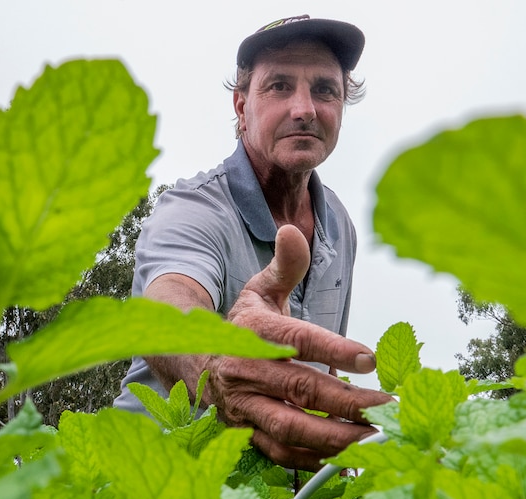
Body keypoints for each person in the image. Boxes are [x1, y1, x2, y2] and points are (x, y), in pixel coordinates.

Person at [113, 15, 394, 471]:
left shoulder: (339, 223)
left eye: (325, 89)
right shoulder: (192, 208)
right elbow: (164, 310)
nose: (305, 108)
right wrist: (215, 362)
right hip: (146, 493)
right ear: (242, 108)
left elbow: (323, 364)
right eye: (279, 86)